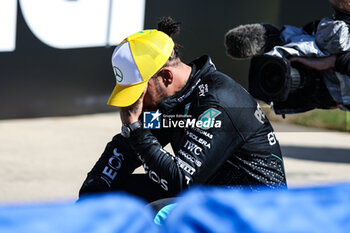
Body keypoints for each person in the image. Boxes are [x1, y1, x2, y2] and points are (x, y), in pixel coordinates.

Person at [79, 17, 287, 203]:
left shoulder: (217, 102)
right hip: (215, 199)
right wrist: (90, 197)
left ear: (167, 77)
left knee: (158, 212)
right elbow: (126, 149)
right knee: (111, 196)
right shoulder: (173, 98)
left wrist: (135, 128)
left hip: (257, 212)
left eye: (139, 91)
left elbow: (180, 183)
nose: (136, 102)